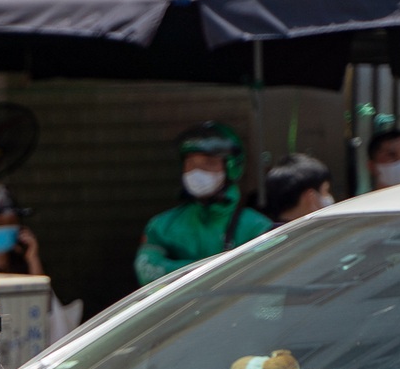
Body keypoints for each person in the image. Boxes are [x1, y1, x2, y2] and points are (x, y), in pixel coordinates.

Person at [134, 121, 273, 285]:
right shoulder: (161, 227)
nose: (197, 172)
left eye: (209, 163)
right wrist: (215, 271)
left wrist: (180, 272)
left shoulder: (257, 228)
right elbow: (146, 270)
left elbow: (265, 278)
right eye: (190, 164)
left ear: (231, 168)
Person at [264, 154, 334, 226]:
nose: (329, 197)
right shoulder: (323, 234)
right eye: (326, 191)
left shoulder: (266, 234)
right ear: (310, 197)